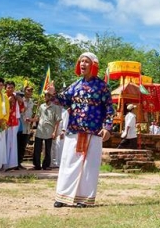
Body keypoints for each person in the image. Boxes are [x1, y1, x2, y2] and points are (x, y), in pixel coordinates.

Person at [48, 52, 114, 208]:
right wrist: (53, 93)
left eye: (86, 61)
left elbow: (109, 109)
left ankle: (83, 199)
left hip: (93, 131)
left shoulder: (102, 86)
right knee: (68, 162)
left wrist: (107, 127)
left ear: (93, 66)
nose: (83, 64)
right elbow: (63, 100)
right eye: (81, 61)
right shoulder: (75, 85)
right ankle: (63, 196)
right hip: (74, 130)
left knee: (89, 166)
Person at [32, 92, 62, 170]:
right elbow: (37, 118)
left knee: (48, 149)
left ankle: (46, 165)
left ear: (50, 97)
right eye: (44, 96)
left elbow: (57, 121)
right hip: (40, 129)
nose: (45, 97)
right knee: (37, 148)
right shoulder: (41, 106)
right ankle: (37, 165)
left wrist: (55, 132)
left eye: (46, 96)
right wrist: (30, 120)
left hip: (49, 130)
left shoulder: (56, 108)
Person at [4, 81, 24, 171]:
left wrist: (19, 99)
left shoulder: (16, 96)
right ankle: (3, 163)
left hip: (14, 122)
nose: (10, 89)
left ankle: (11, 164)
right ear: (5, 88)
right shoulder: (3, 96)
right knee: (4, 143)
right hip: (4, 122)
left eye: (12, 87)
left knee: (12, 143)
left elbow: (23, 109)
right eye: (8, 87)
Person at [18, 85, 35, 170]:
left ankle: (19, 162)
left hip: (28, 126)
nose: (29, 92)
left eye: (31, 91)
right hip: (20, 125)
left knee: (23, 145)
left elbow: (31, 113)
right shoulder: (21, 100)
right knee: (18, 144)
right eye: (28, 90)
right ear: (24, 91)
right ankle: (15, 162)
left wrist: (31, 120)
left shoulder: (32, 102)